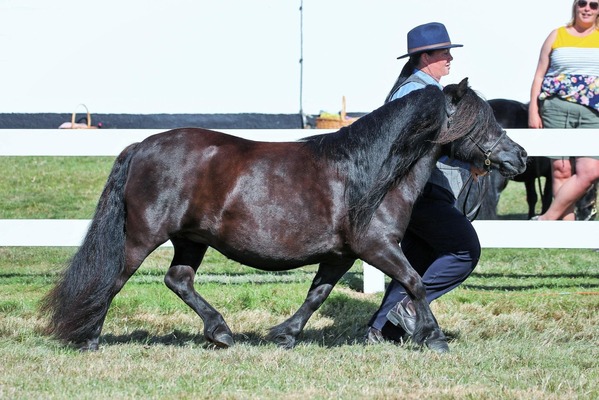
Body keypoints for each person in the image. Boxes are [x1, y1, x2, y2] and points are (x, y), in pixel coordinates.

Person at [366, 22, 487, 344]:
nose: (450, 58)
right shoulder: (422, 92)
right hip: (420, 192)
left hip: (413, 192)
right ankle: (409, 309)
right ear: (424, 57)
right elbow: (417, 147)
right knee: (464, 250)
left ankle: (380, 331)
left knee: (416, 262)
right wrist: (464, 159)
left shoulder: (411, 88)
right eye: (443, 52)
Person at [528, 0, 599, 221]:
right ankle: (566, 231)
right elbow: (540, 73)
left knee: (590, 172)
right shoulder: (556, 35)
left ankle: (547, 218)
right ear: (575, 7)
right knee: (560, 170)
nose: (587, 8)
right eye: (583, 3)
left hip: (592, 111)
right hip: (555, 108)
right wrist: (533, 109)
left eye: (594, 5)